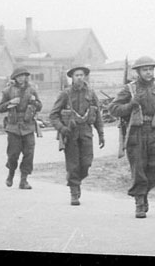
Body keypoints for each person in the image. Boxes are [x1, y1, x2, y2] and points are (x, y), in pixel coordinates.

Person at [108, 55, 155, 218]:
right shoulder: (129, 89)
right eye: (145, 69)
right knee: (138, 168)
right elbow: (113, 108)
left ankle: (143, 192)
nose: (148, 72)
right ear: (138, 72)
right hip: (136, 133)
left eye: (151, 69)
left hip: (154, 132)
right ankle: (139, 201)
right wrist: (131, 104)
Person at [49, 65, 104, 206]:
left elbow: (97, 115)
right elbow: (53, 115)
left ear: (85, 76)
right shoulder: (65, 94)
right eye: (76, 75)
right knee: (73, 164)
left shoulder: (91, 94)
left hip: (86, 132)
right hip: (70, 133)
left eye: (82, 75)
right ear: (72, 78)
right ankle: (74, 191)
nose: (79, 77)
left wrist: (101, 134)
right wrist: (62, 128)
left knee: (86, 162)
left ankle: (77, 181)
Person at [0, 66, 43, 189]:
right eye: (19, 76)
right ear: (15, 78)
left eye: (23, 76)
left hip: (28, 126)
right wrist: (10, 103)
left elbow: (40, 106)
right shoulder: (8, 91)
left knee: (29, 154)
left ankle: (24, 180)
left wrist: (34, 101)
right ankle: (11, 174)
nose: (21, 78)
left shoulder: (32, 90)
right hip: (13, 127)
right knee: (13, 155)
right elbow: (0, 108)